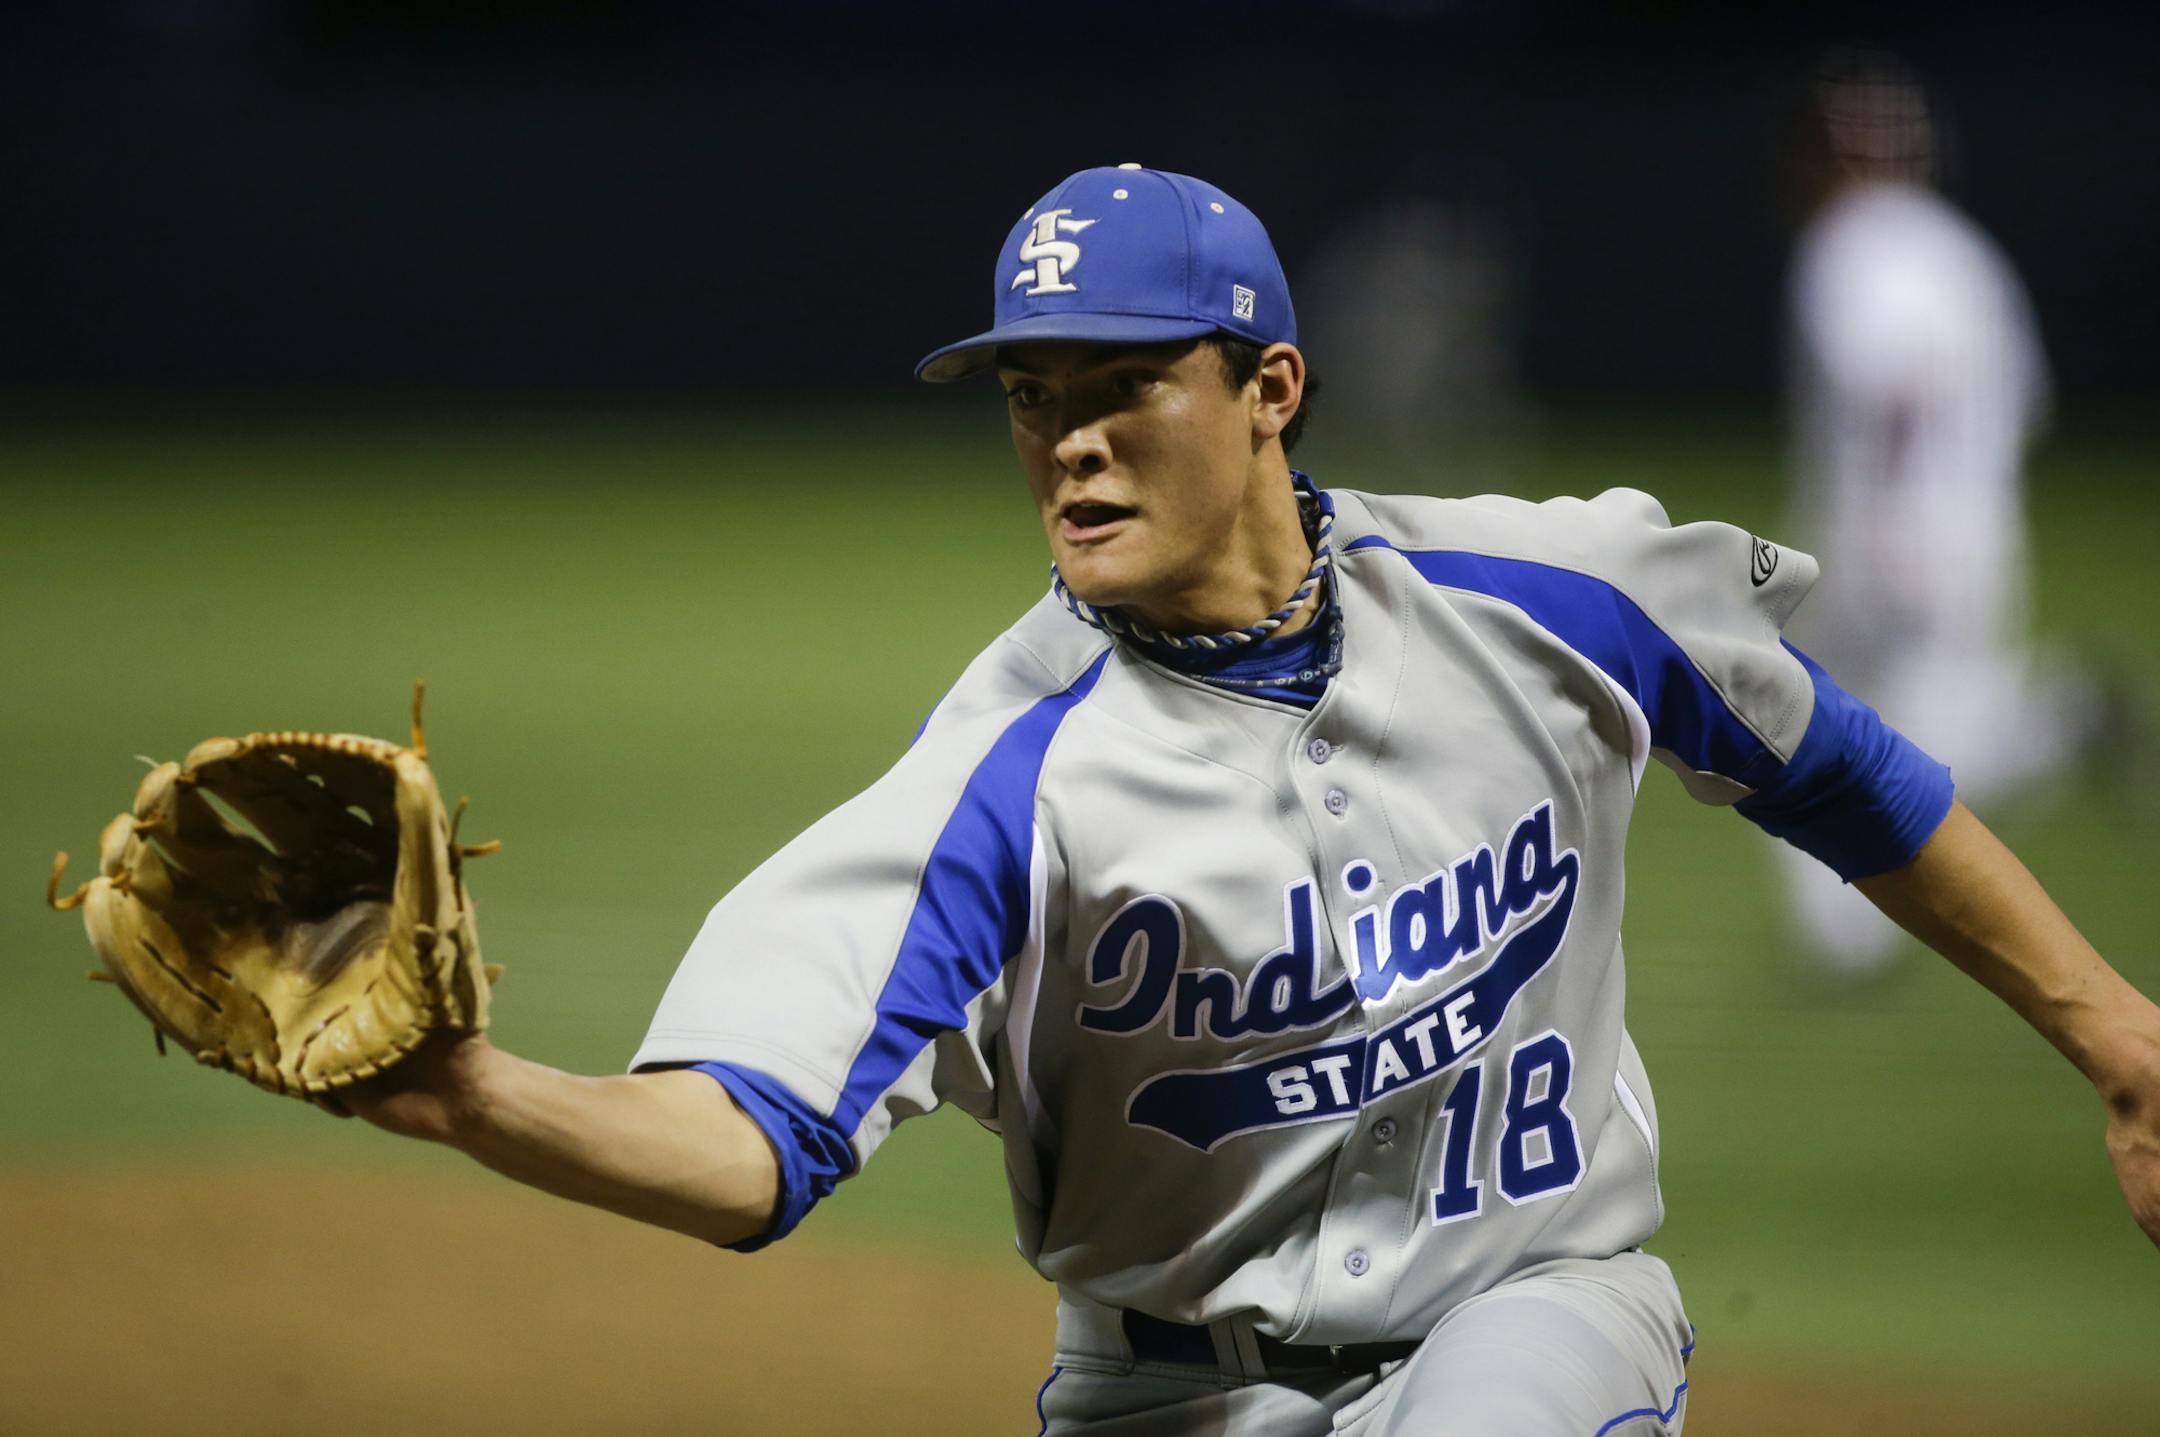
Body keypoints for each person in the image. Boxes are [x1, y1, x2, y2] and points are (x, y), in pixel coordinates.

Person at [349, 164, 2160, 1435]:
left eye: (1128, 381)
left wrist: (2118, 1036)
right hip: (1160, 1388)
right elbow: (749, 1144)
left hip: (1529, 1307)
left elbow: (1837, 768)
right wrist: (471, 1093)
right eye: (1033, 393)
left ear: (1270, 389)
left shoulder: (1552, 604)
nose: (1069, 435)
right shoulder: (1007, 772)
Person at [1779, 49, 2095, 976]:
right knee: (1910, 731)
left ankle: (1843, 939)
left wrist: (1886, 517)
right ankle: (2051, 722)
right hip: (1981, 533)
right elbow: (2030, 405)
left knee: (1799, 713)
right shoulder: (1965, 254)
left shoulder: (1850, 246)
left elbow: (1891, 389)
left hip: (1889, 533)